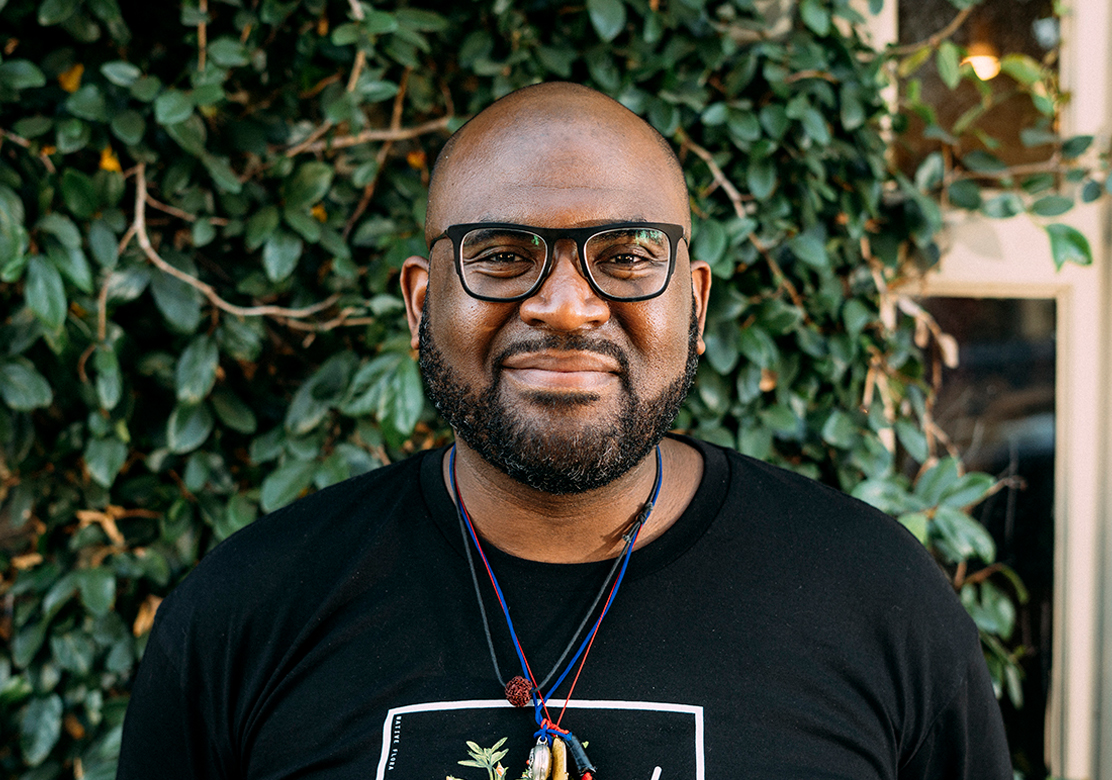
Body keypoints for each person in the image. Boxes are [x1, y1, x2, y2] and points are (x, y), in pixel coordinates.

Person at [117, 83, 1012, 780]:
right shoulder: (248, 611)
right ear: (423, 304)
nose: (566, 306)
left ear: (693, 305)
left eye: (625, 257)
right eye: (502, 255)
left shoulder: (875, 598)